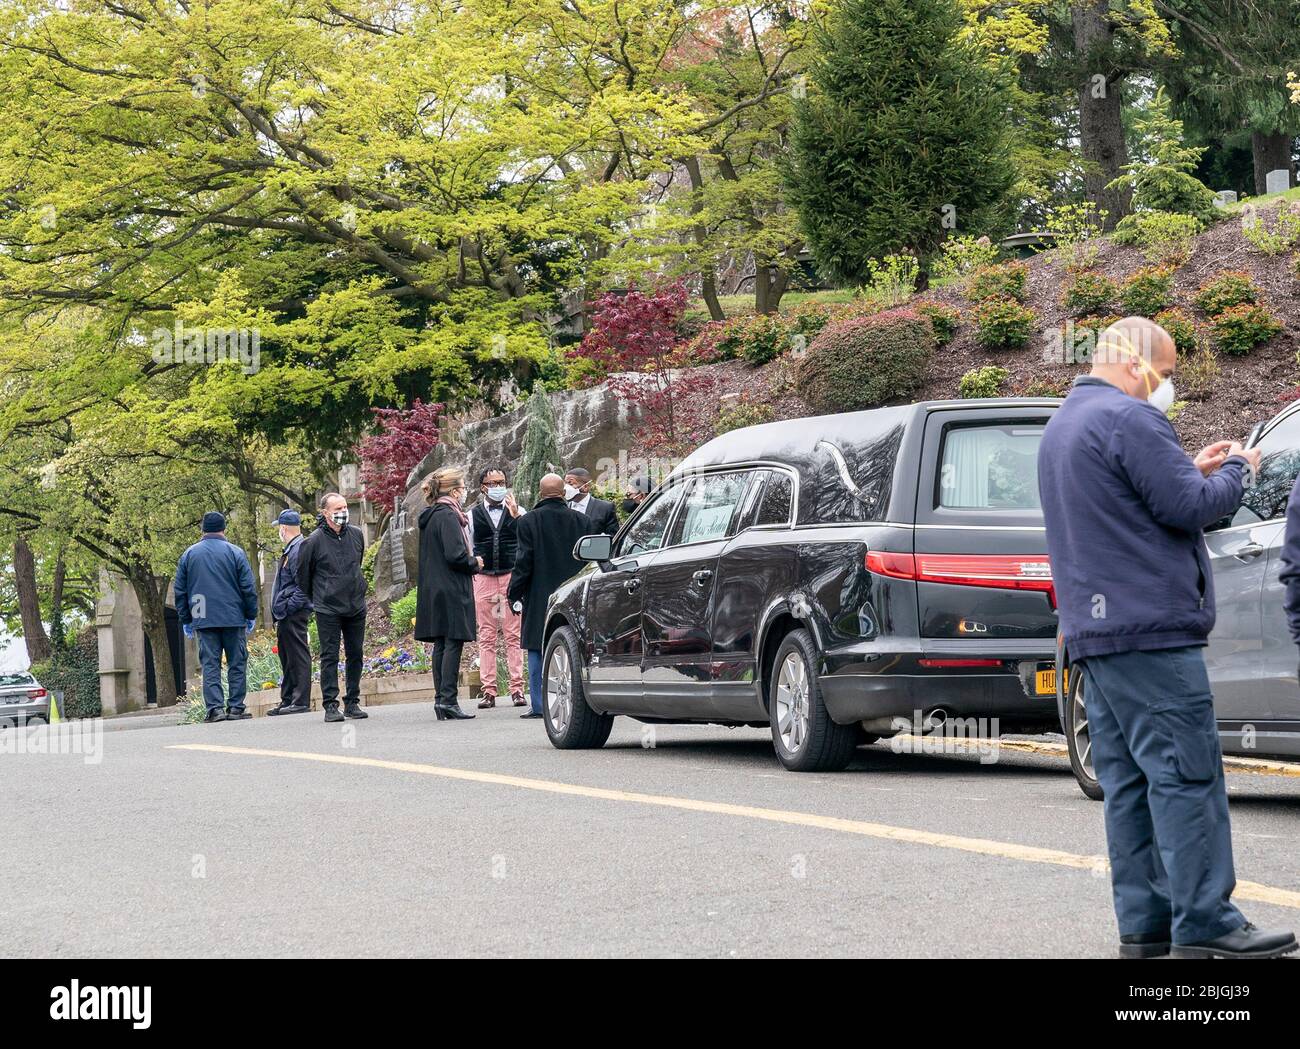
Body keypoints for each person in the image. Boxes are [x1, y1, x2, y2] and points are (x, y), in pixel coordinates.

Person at [1039, 317, 1295, 960]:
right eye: (1169, 373)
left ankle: (1146, 925)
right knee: (1186, 776)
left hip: (1094, 635)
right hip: (1150, 631)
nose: (1168, 387)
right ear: (1134, 365)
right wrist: (1238, 467)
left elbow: (1142, 496)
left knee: (1129, 784)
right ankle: (1208, 923)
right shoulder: (1131, 420)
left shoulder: (1064, 426)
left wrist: (1188, 467)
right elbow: (1192, 508)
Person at [508, 474, 594, 719]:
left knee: (536, 646)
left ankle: (538, 704)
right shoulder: (583, 521)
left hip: (539, 592)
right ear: (563, 492)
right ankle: (577, 700)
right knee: (573, 645)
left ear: (540, 492)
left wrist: (514, 592)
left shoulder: (528, 522)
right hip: (575, 591)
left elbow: (523, 562)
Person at [173, 511, 259, 723]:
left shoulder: (189, 554)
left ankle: (215, 709)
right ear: (224, 528)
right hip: (233, 615)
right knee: (236, 663)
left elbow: (180, 590)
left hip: (202, 615)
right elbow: (248, 587)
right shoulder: (235, 552)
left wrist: (186, 619)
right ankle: (236, 708)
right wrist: (250, 614)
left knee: (210, 664)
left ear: (202, 529)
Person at [414, 467, 482, 721]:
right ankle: (449, 699)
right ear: (454, 491)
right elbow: (455, 555)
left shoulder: (431, 515)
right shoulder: (448, 516)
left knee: (442, 644)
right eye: (463, 487)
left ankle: (441, 700)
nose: (465, 492)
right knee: (453, 642)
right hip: (451, 587)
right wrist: (475, 562)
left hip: (434, 587)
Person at [298, 493, 369, 723]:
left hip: (355, 605)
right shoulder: (313, 541)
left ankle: (353, 702)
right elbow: (303, 576)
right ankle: (330, 704)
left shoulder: (357, 535)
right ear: (325, 513)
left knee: (355, 654)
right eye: (338, 508)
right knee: (329, 656)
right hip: (328, 607)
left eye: (345, 507)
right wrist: (320, 596)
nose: (343, 512)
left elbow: (357, 562)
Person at [471, 466, 526, 708]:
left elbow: (528, 538)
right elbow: (467, 544)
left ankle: (517, 689)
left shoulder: (518, 510)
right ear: (483, 487)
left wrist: (516, 517)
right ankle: (489, 691)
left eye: (501, 482)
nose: (497, 487)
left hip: (510, 576)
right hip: (483, 578)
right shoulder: (471, 515)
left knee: (514, 634)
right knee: (486, 636)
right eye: (492, 483)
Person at [268, 510, 312, 716]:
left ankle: (300, 700)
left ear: (284, 528)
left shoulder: (298, 549)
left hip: (293, 613)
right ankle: (287, 700)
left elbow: (303, 586)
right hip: (286, 613)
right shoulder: (291, 549)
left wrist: (287, 607)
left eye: (279, 527)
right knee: (287, 657)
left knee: (297, 655)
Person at [564, 467, 619, 535]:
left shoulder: (605, 508)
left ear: (585, 487)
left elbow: (613, 537)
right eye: (565, 484)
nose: (566, 488)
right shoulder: (563, 508)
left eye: (571, 483)